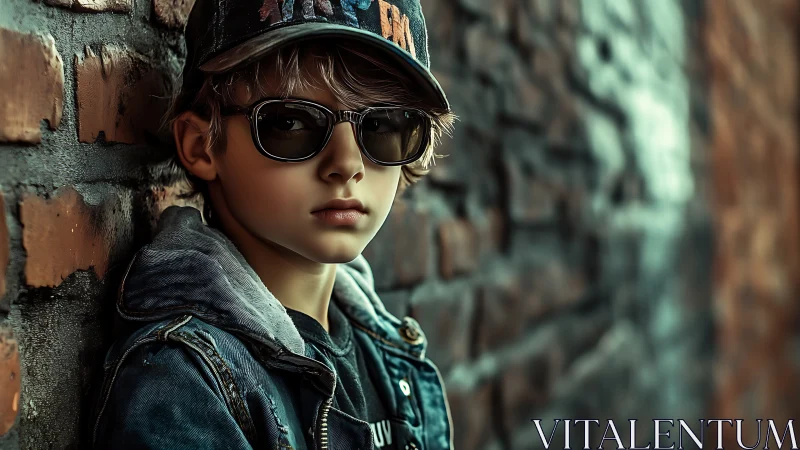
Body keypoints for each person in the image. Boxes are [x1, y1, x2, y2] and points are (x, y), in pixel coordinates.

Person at [89, 0, 457, 448]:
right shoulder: (185, 379)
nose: (346, 164)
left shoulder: (387, 350)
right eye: (291, 122)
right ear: (202, 145)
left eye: (382, 125)